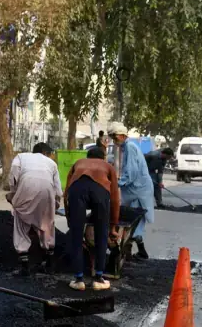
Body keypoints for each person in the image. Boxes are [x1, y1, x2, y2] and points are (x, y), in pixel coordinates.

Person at [64, 145, 121, 291]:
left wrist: (70, 220)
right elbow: (115, 198)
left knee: (76, 236)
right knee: (101, 234)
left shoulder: (78, 163)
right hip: (100, 191)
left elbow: (66, 194)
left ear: (87, 156)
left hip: (77, 189)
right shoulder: (108, 166)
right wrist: (113, 226)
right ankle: (99, 279)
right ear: (103, 157)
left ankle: (78, 280)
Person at [6, 142, 63, 275]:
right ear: (45, 153)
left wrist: (13, 193)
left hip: (25, 189)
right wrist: (54, 205)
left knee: (20, 223)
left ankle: (24, 266)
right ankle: (48, 263)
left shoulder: (20, 157)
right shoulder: (51, 163)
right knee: (47, 225)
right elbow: (58, 189)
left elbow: (13, 175)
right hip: (47, 192)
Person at [111, 123, 155, 259]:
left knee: (126, 216)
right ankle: (136, 251)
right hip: (136, 188)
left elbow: (131, 172)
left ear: (123, 135)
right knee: (134, 220)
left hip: (138, 188)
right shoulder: (126, 147)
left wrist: (118, 183)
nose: (114, 140)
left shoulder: (129, 147)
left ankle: (126, 249)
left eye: (115, 136)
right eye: (112, 137)